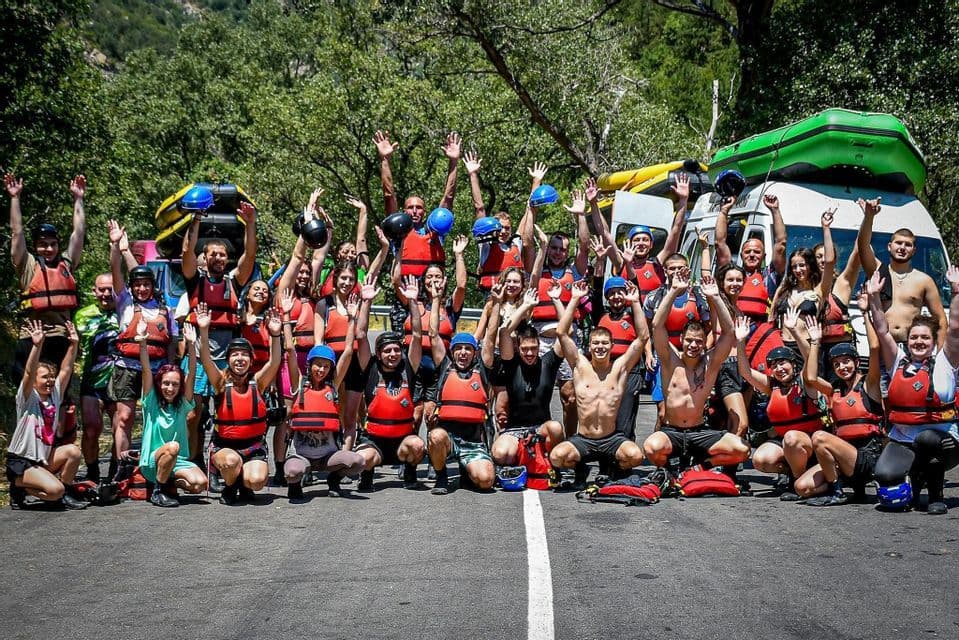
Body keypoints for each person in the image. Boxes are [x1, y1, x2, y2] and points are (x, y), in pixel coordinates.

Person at [870, 268, 959, 514]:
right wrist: (874, 297)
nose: (919, 342)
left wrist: (956, 291)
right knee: (885, 474)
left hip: (943, 440)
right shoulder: (898, 362)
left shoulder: (946, 362)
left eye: (925, 338)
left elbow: (955, 327)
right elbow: (882, 330)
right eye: (914, 338)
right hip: (904, 438)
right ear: (907, 341)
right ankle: (914, 487)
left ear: (933, 341)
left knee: (926, 440)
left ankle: (936, 497)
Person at [643, 272, 749, 474]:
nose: (693, 345)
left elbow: (728, 332)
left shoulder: (711, 362)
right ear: (681, 340)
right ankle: (669, 473)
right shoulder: (670, 360)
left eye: (698, 342)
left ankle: (700, 468)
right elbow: (656, 325)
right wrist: (674, 290)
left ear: (704, 343)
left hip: (699, 431)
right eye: (689, 341)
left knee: (742, 450)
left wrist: (715, 297)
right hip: (672, 431)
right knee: (651, 447)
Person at [181, 195, 259, 469]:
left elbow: (250, 256)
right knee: (193, 415)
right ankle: (193, 460)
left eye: (222, 254)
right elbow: (187, 253)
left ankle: (221, 459)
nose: (217, 258)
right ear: (205, 257)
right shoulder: (195, 281)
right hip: (198, 355)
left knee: (228, 412)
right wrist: (196, 220)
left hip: (226, 359)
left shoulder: (234, 282)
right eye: (212, 254)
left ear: (227, 259)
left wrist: (250, 224)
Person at [548, 280, 647, 486]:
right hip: (584, 439)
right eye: (596, 343)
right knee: (557, 457)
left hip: (611, 439)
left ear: (612, 345)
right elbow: (562, 333)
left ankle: (612, 468)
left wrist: (636, 302)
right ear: (590, 346)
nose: (600, 347)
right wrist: (575, 299)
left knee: (635, 456)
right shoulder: (580, 366)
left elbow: (642, 337)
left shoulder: (619, 368)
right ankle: (580, 468)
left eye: (604, 343)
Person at [282, 288, 368, 501]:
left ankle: (334, 479)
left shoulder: (332, 386)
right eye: (317, 365)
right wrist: (286, 316)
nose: (321, 370)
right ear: (310, 365)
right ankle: (296, 484)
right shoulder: (299, 384)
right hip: (301, 454)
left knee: (358, 462)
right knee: (292, 472)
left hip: (328, 456)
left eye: (326, 366)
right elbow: (290, 350)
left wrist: (352, 319)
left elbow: (347, 351)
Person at [796, 300, 883, 506]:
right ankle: (841, 485)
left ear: (856, 362)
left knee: (819, 437)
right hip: (843, 458)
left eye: (846, 361)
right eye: (837, 364)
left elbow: (874, 347)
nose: (842, 367)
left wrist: (865, 314)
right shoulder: (834, 390)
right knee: (802, 487)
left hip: (867, 458)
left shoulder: (869, 384)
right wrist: (815, 342)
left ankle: (837, 492)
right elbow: (810, 378)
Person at [196, 302, 284, 505]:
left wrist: (275, 334)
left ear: (251, 361)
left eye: (244, 354)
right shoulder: (220, 383)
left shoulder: (258, 383)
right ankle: (230, 484)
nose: (240, 358)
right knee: (231, 461)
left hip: (253, 446)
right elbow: (207, 360)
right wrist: (204, 330)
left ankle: (244, 483)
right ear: (228, 360)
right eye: (235, 354)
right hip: (225, 447)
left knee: (257, 481)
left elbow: (275, 361)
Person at [108, 221, 177, 477]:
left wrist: (171, 368)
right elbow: (116, 271)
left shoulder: (164, 310)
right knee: (124, 418)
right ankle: (122, 467)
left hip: (156, 369)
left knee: (154, 417)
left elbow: (171, 342)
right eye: (137, 284)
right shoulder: (124, 301)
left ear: (152, 285)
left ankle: (153, 465)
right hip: (127, 367)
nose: (141, 288)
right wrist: (117, 246)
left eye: (146, 284)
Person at [736, 313, 826, 500]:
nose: (779, 369)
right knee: (761, 460)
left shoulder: (806, 381)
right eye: (774, 366)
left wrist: (795, 331)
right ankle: (794, 471)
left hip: (810, 442)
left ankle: (797, 480)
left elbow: (809, 357)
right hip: (788, 444)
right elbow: (745, 371)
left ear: (793, 364)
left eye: (783, 363)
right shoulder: (772, 386)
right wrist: (741, 342)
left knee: (791, 438)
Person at [7, 173, 86, 379]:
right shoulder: (27, 265)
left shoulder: (66, 264)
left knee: (57, 390)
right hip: (31, 334)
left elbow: (78, 234)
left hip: (60, 335)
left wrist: (78, 199)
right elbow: (17, 233)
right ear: (35, 246)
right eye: (43, 244)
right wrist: (14, 198)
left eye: (53, 244)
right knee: (25, 388)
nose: (49, 249)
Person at [525, 189, 591, 435]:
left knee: (570, 396)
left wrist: (580, 215)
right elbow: (527, 241)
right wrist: (532, 209)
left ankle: (570, 441)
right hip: (540, 338)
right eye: (553, 247)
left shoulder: (574, 272)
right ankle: (541, 437)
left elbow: (584, 244)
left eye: (562, 249)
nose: (557, 252)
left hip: (567, 339)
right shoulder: (537, 270)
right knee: (535, 392)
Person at [354, 277, 427, 491]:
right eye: (387, 351)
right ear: (379, 354)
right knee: (362, 458)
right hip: (374, 440)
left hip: (402, 441)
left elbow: (417, 335)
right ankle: (367, 475)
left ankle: (410, 471)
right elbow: (361, 334)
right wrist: (366, 302)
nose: (393, 354)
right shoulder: (370, 368)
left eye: (396, 350)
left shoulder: (408, 367)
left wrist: (412, 302)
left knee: (418, 445)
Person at [6, 320, 86, 510]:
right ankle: (19, 486)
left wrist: (73, 345)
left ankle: (65, 493)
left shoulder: (54, 397)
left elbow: (66, 369)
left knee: (73, 452)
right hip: (22, 462)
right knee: (54, 491)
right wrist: (37, 345)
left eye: (51, 377)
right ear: (34, 382)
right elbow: (28, 372)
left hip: (42, 459)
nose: (50, 381)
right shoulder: (27, 398)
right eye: (44, 377)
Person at [393, 239, 468, 425]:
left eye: (437, 277)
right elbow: (395, 280)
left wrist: (459, 255)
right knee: (414, 414)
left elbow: (461, 286)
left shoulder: (449, 306)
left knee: (432, 415)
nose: (433, 280)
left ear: (444, 281)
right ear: (423, 280)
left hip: (438, 367)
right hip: (413, 365)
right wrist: (399, 250)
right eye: (429, 277)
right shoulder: (412, 301)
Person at [488, 286, 565, 466]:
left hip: (541, 428)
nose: (529, 353)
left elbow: (565, 332)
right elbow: (504, 332)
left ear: (539, 347)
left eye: (533, 348)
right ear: (518, 348)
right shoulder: (512, 363)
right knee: (501, 455)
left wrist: (556, 300)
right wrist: (526, 305)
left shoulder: (548, 363)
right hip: (515, 429)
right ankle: (526, 456)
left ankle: (548, 463)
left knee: (555, 428)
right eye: (525, 349)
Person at [856, 196, 947, 346]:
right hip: (882, 345)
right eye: (898, 243)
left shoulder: (924, 280)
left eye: (908, 245)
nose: (902, 248)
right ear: (889, 246)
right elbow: (862, 245)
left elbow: (941, 319)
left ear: (914, 250)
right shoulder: (878, 272)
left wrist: (940, 354)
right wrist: (869, 217)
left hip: (912, 348)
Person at [136, 321, 208, 507]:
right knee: (173, 447)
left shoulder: (182, 404)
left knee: (200, 484)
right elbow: (145, 369)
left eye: (175, 384)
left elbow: (192, 374)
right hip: (152, 462)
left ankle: (167, 483)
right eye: (166, 383)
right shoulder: (151, 401)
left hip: (177, 461)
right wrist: (142, 342)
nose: (170, 388)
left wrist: (191, 344)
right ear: (159, 384)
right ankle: (157, 490)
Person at [374, 129, 460, 278]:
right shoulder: (398, 231)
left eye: (419, 208)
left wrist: (453, 162)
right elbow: (389, 195)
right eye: (410, 207)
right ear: (404, 211)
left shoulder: (435, 230)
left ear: (424, 213)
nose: (414, 211)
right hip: (405, 287)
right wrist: (385, 160)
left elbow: (448, 197)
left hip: (432, 287)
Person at [426, 321, 497, 495]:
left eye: (468, 349)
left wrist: (495, 306)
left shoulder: (482, 370)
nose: (463, 352)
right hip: (448, 441)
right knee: (435, 436)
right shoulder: (445, 367)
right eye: (458, 348)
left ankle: (467, 472)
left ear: (475, 353)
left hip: (473, 443)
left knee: (486, 481)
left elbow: (491, 335)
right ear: (452, 352)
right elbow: (433, 335)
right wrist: (436, 304)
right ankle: (441, 476)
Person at [642, 253, 711, 428]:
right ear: (665, 271)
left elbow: (709, 327)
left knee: (687, 408)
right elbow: (646, 329)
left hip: (692, 357)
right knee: (663, 411)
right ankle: (659, 442)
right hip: (664, 356)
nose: (676, 271)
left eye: (680, 268)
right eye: (672, 268)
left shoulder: (699, 296)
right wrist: (648, 353)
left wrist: (705, 352)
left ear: (687, 269)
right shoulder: (654, 297)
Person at [714, 192, 787, 323]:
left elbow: (781, 244)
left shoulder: (770, 276)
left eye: (757, 252)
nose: (752, 255)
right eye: (747, 252)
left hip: (761, 328)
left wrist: (775, 210)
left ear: (764, 256)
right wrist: (724, 211)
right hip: (734, 326)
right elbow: (720, 243)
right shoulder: (732, 274)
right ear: (741, 255)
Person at [464, 151, 531, 293]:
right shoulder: (486, 246)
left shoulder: (516, 243)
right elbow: (479, 209)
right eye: (500, 228)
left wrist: (536, 181)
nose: (503, 231)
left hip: (515, 297)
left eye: (507, 228)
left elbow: (529, 210)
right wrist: (473, 174)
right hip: (492, 296)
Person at [75, 273, 120, 482]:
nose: (106, 293)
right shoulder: (82, 316)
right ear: (94, 291)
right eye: (102, 289)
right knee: (91, 428)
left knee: (120, 429)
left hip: (120, 381)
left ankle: (114, 472)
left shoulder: (126, 312)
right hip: (91, 380)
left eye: (111, 289)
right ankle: (92, 471)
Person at [769, 208, 835, 348]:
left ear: (810, 266)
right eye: (794, 267)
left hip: (806, 346)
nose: (798, 270)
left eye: (802, 265)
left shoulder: (819, 290)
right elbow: (771, 317)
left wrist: (826, 228)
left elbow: (829, 261)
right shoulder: (786, 289)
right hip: (783, 347)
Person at [591, 275, 646, 440]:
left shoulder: (633, 314)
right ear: (607, 297)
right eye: (612, 293)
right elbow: (596, 291)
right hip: (605, 370)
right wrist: (600, 264)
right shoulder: (600, 315)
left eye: (620, 292)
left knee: (625, 417)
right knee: (605, 413)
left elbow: (643, 331)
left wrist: (634, 299)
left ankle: (625, 448)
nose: (616, 296)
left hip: (631, 371)